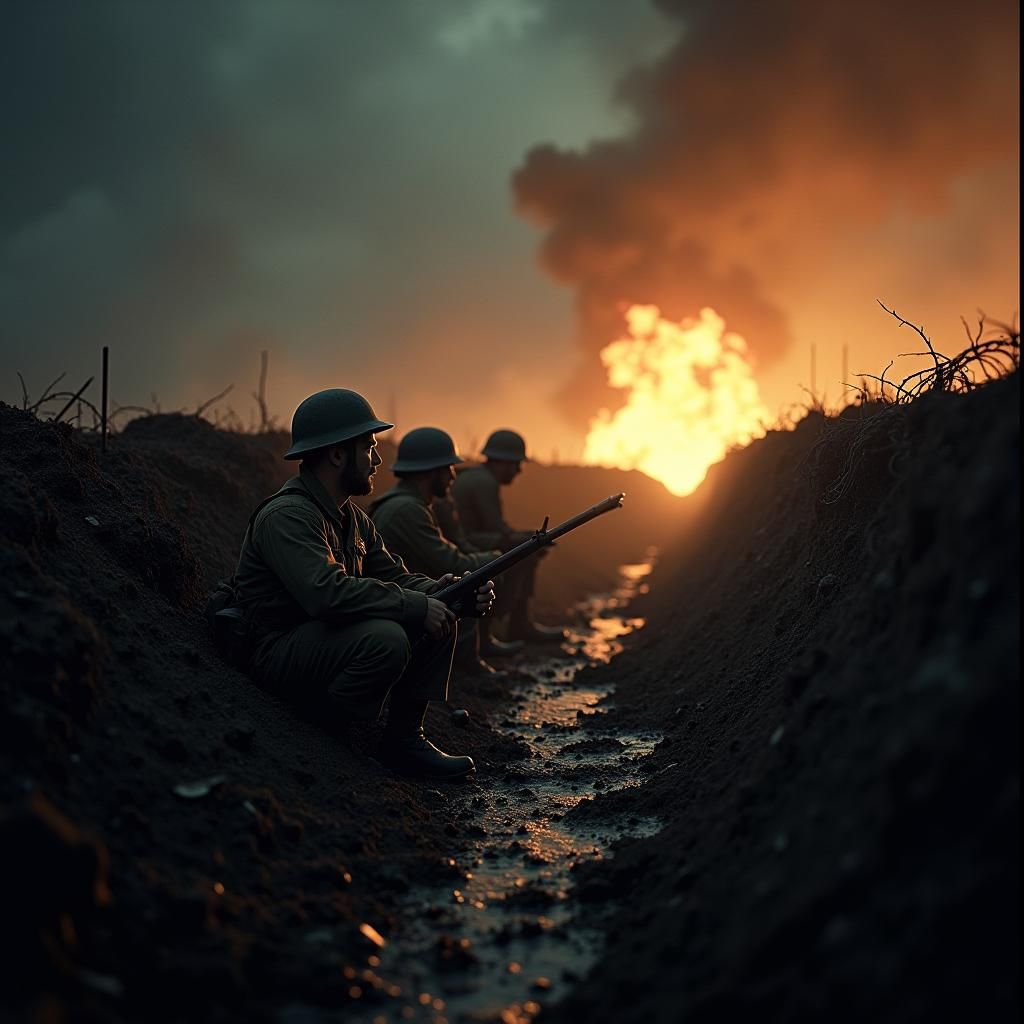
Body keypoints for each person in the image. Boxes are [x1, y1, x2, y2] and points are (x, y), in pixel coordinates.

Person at [230, 389, 494, 781]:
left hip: (322, 641)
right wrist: (417, 605)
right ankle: (327, 738)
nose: (377, 459)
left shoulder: (352, 518)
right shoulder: (288, 516)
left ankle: (404, 741)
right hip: (277, 650)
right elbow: (326, 594)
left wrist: (450, 590)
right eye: (368, 447)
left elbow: (395, 577)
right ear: (337, 454)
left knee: (440, 611)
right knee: (387, 638)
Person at [368, 427, 514, 675]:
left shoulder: (411, 504)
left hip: (401, 592)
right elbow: (449, 561)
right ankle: (466, 668)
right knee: (464, 588)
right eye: (448, 468)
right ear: (430, 472)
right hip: (397, 604)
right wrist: (496, 558)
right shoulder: (408, 510)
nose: (453, 476)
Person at [451, 429, 567, 643]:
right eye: (516, 464)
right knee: (526, 553)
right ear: (504, 462)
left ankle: (516, 624)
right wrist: (527, 540)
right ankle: (500, 630)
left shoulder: (477, 476)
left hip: (466, 539)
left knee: (527, 546)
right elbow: (495, 529)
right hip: (462, 544)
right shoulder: (485, 482)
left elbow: (494, 529)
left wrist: (523, 537)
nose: (519, 471)